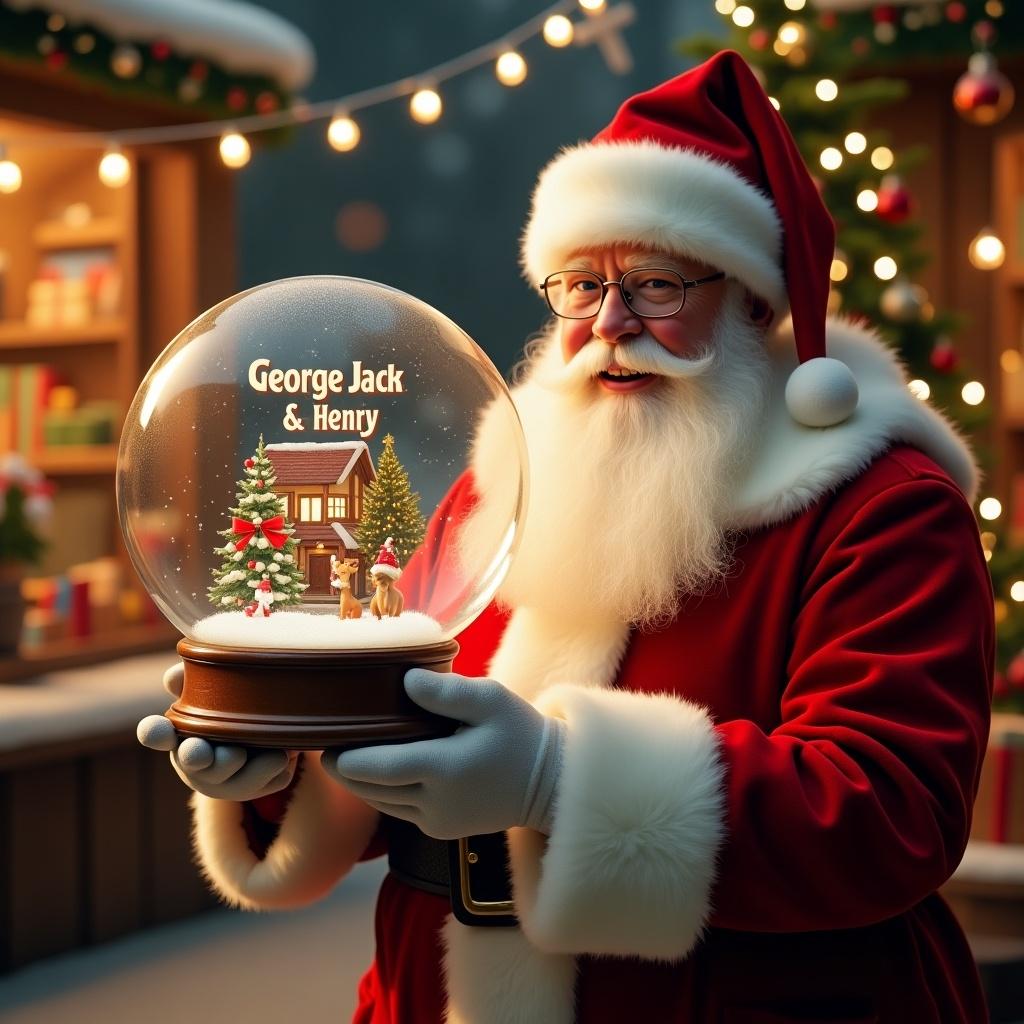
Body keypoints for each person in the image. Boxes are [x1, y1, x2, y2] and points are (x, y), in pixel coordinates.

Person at [138, 51, 994, 1023]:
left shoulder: (877, 504)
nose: (609, 322)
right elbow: (399, 717)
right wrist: (274, 767)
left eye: (659, 285)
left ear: (756, 304)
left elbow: (885, 812)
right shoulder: (499, 482)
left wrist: (556, 778)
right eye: (578, 285)